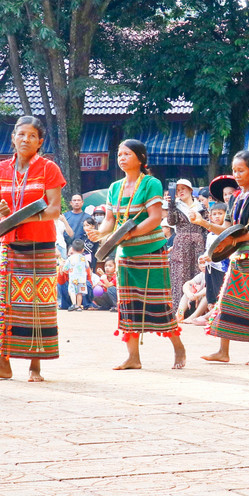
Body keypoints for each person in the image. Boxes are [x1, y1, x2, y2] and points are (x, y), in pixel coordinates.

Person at [87, 139, 186, 370]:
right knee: (128, 304)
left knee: (159, 302)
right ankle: (133, 357)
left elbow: (154, 218)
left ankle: (178, 347)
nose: (121, 158)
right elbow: (110, 222)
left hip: (151, 250)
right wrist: (99, 235)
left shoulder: (151, 183)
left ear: (141, 158)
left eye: (127, 154)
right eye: (119, 154)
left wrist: (130, 235)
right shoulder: (114, 187)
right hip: (126, 253)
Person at [0, 116, 65, 384]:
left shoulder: (48, 168)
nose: (25, 139)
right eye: (21, 134)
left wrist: (24, 216)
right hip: (9, 243)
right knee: (3, 303)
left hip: (39, 244)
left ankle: (35, 367)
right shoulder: (0, 169)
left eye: (31, 136)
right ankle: (2, 364)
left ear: (40, 142)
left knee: (37, 304)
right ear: (13, 138)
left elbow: (54, 209)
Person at [201, 151, 249, 365]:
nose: (237, 174)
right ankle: (223, 350)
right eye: (234, 171)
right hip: (238, 254)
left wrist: (235, 240)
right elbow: (226, 229)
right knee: (226, 300)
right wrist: (204, 223)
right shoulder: (235, 197)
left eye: (241, 170)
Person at [166, 178, 206, 315]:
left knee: (197, 273)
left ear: (190, 190)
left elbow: (206, 227)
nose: (180, 192)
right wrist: (170, 205)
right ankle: (179, 309)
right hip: (181, 242)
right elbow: (171, 221)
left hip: (198, 242)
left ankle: (195, 309)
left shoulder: (201, 207)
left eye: (183, 188)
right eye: (177, 190)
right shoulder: (176, 206)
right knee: (180, 273)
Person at [176, 255, 209, 322]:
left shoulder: (213, 274)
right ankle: (179, 314)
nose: (203, 265)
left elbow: (209, 289)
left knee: (207, 295)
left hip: (210, 303)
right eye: (201, 263)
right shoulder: (201, 274)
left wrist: (197, 295)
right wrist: (189, 294)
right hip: (197, 301)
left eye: (205, 263)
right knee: (187, 291)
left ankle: (193, 317)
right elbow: (187, 284)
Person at [63, 239, 89, 310]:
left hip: (73, 278)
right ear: (83, 250)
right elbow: (87, 266)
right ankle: (78, 306)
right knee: (79, 292)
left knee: (72, 291)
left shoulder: (70, 258)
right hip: (82, 278)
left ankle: (74, 304)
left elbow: (65, 268)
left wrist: (66, 271)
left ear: (72, 249)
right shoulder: (84, 258)